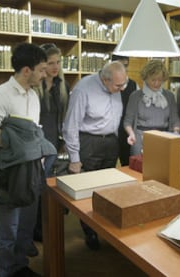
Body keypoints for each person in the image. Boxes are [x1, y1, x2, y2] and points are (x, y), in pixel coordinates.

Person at [0, 42, 49, 277]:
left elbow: (33, 130)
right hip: (9, 172)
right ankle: (5, 272)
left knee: (25, 226)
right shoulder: (1, 95)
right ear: (26, 70)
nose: (44, 74)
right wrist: (25, 146)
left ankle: (19, 266)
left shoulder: (34, 95)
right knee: (8, 229)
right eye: (41, 69)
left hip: (31, 170)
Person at [62, 61, 127, 250]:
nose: (122, 89)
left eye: (124, 83)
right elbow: (71, 125)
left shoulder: (117, 84)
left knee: (107, 188)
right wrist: (74, 158)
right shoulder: (83, 89)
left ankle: (104, 226)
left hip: (111, 142)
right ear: (105, 80)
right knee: (89, 190)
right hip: (89, 142)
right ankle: (89, 229)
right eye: (118, 85)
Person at [32, 43, 70, 244]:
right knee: (37, 188)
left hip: (54, 144)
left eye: (58, 62)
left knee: (48, 187)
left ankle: (44, 225)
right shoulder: (34, 88)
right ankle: (35, 228)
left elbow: (63, 118)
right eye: (50, 63)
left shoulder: (62, 87)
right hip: (36, 146)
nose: (55, 67)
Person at [124, 59, 180, 155]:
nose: (157, 83)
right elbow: (127, 121)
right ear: (146, 78)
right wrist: (131, 134)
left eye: (160, 80)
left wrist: (175, 133)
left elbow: (175, 120)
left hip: (164, 139)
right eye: (153, 80)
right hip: (140, 140)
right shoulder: (136, 96)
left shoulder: (169, 96)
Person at [111, 54, 139, 166]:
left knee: (127, 166)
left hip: (127, 132)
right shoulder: (107, 85)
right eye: (120, 65)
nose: (124, 69)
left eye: (126, 65)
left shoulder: (134, 85)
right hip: (110, 133)